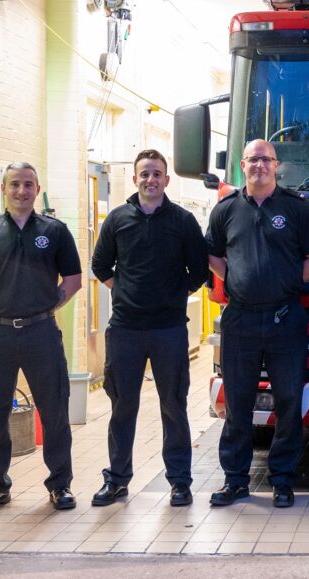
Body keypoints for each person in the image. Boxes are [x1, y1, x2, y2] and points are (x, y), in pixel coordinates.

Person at [205, 139, 309, 508]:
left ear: (277, 166)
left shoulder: (296, 208)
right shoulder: (225, 209)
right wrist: (237, 278)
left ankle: (283, 480)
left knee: (289, 401)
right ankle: (236, 480)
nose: (260, 165)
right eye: (253, 160)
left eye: (266, 160)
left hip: (285, 317)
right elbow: (212, 252)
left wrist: (288, 282)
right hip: (240, 319)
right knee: (238, 403)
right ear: (243, 165)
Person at [89, 149, 210, 508]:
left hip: (169, 329)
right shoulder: (117, 219)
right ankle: (117, 480)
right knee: (122, 406)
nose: (150, 180)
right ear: (135, 178)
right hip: (126, 328)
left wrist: (171, 295)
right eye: (145, 174)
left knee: (173, 405)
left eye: (157, 174)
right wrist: (127, 292)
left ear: (166, 180)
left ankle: (179, 482)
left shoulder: (183, 221)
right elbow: (100, 266)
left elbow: (199, 271)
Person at [0, 162, 82, 513]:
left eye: (28, 185)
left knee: (54, 410)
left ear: (37, 188)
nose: (22, 191)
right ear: (4, 189)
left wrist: (44, 308)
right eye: (15, 184)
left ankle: (60, 485)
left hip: (41, 333)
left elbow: (72, 280)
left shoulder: (55, 231)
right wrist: (1, 307)